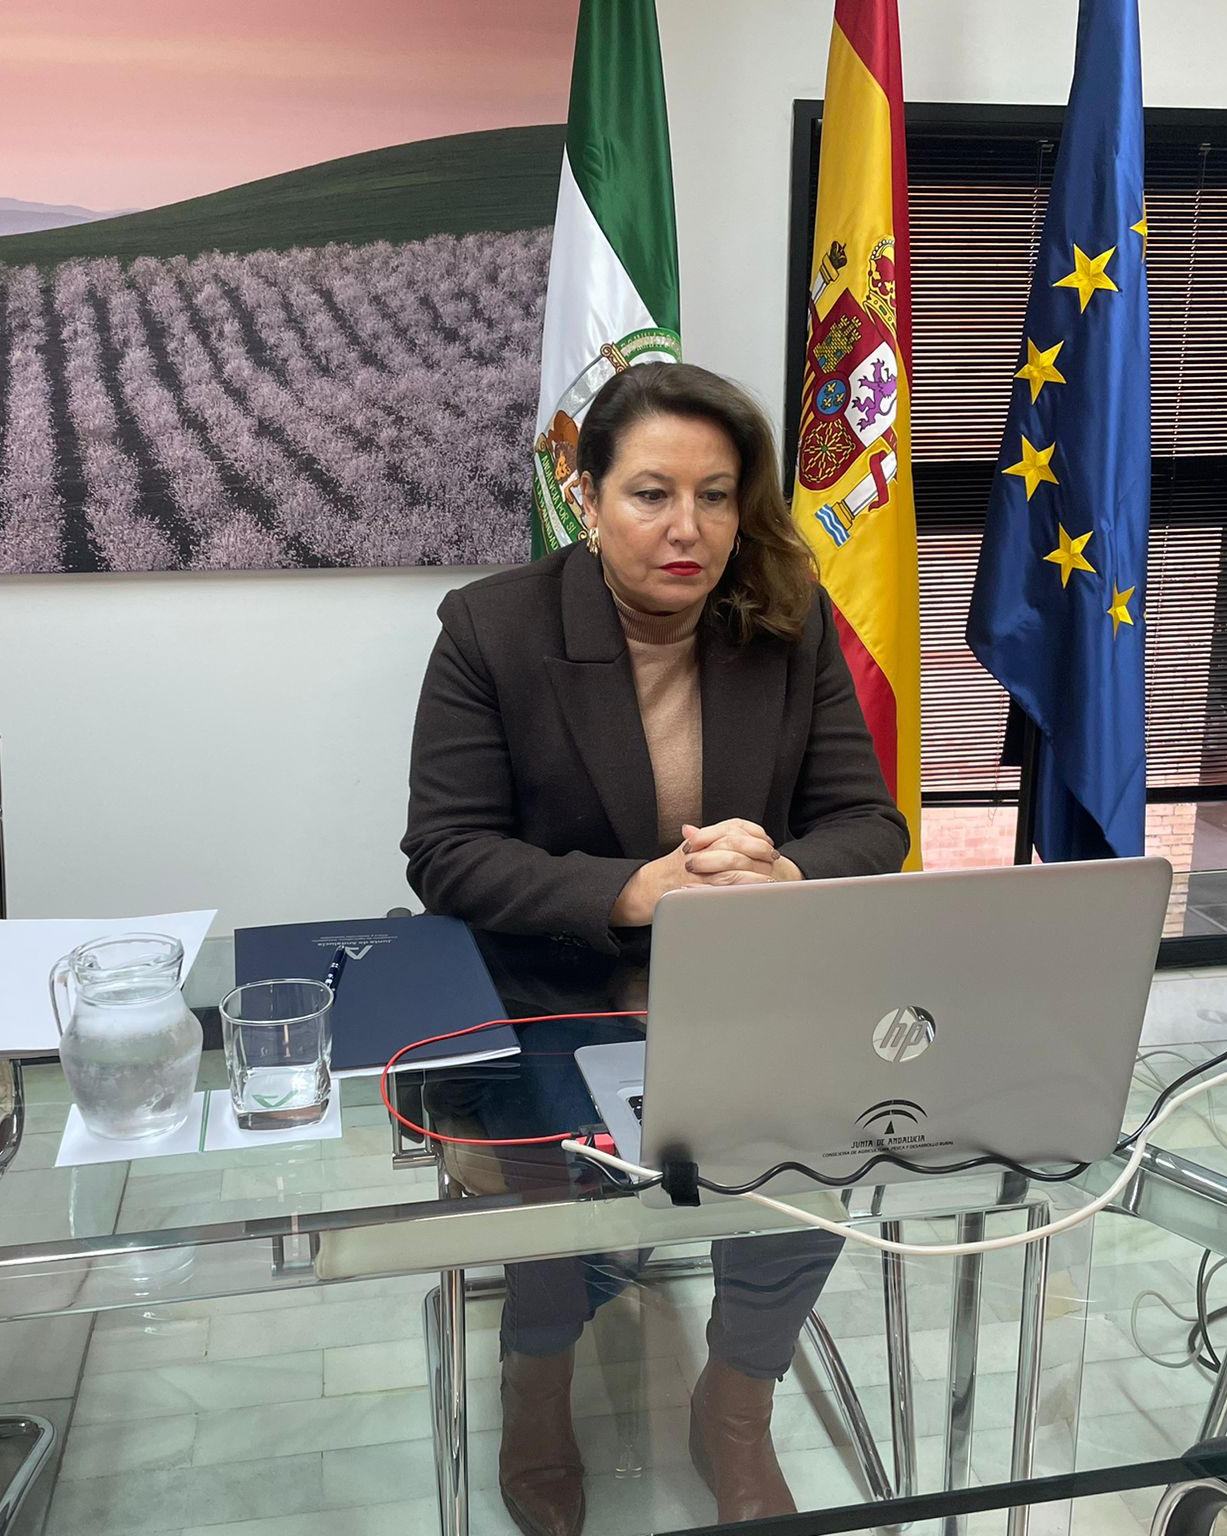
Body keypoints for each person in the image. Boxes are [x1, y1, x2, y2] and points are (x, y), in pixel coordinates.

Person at [401, 362, 909, 1535]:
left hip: (743, 978)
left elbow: (867, 825)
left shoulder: (787, 618)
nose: (688, 528)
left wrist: (781, 872)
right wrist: (633, 892)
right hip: (555, 979)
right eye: (649, 493)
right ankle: (539, 1374)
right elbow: (446, 852)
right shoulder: (492, 626)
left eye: (717, 496)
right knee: (571, 1183)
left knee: (820, 1142)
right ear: (585, 497)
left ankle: (734, 1401)